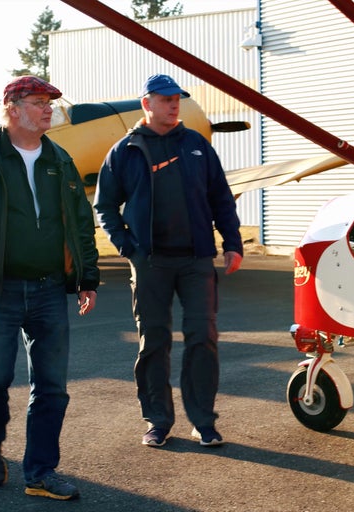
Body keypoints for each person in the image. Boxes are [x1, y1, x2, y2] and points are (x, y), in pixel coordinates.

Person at [0, 75, 99, 501]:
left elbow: (81, 222)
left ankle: (40, 473)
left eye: (50, 102)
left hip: (48, 290)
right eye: (39, 102)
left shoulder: (59, 160)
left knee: (52, 387)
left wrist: (87, 277)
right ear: (13, 107)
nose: (48, 109)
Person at [93, 74, 243, 448]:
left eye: (177, 98)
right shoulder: (125, 149)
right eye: (165, 99)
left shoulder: (196, 145)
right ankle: (158, 421)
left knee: (203, 338)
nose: (174, 104)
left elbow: (221, 198)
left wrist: (233, 242)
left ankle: (203, 421)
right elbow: (105, 206)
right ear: (147, 104)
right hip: (151, 263)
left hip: (196, 260)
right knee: (154, 342)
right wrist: (128, 247)